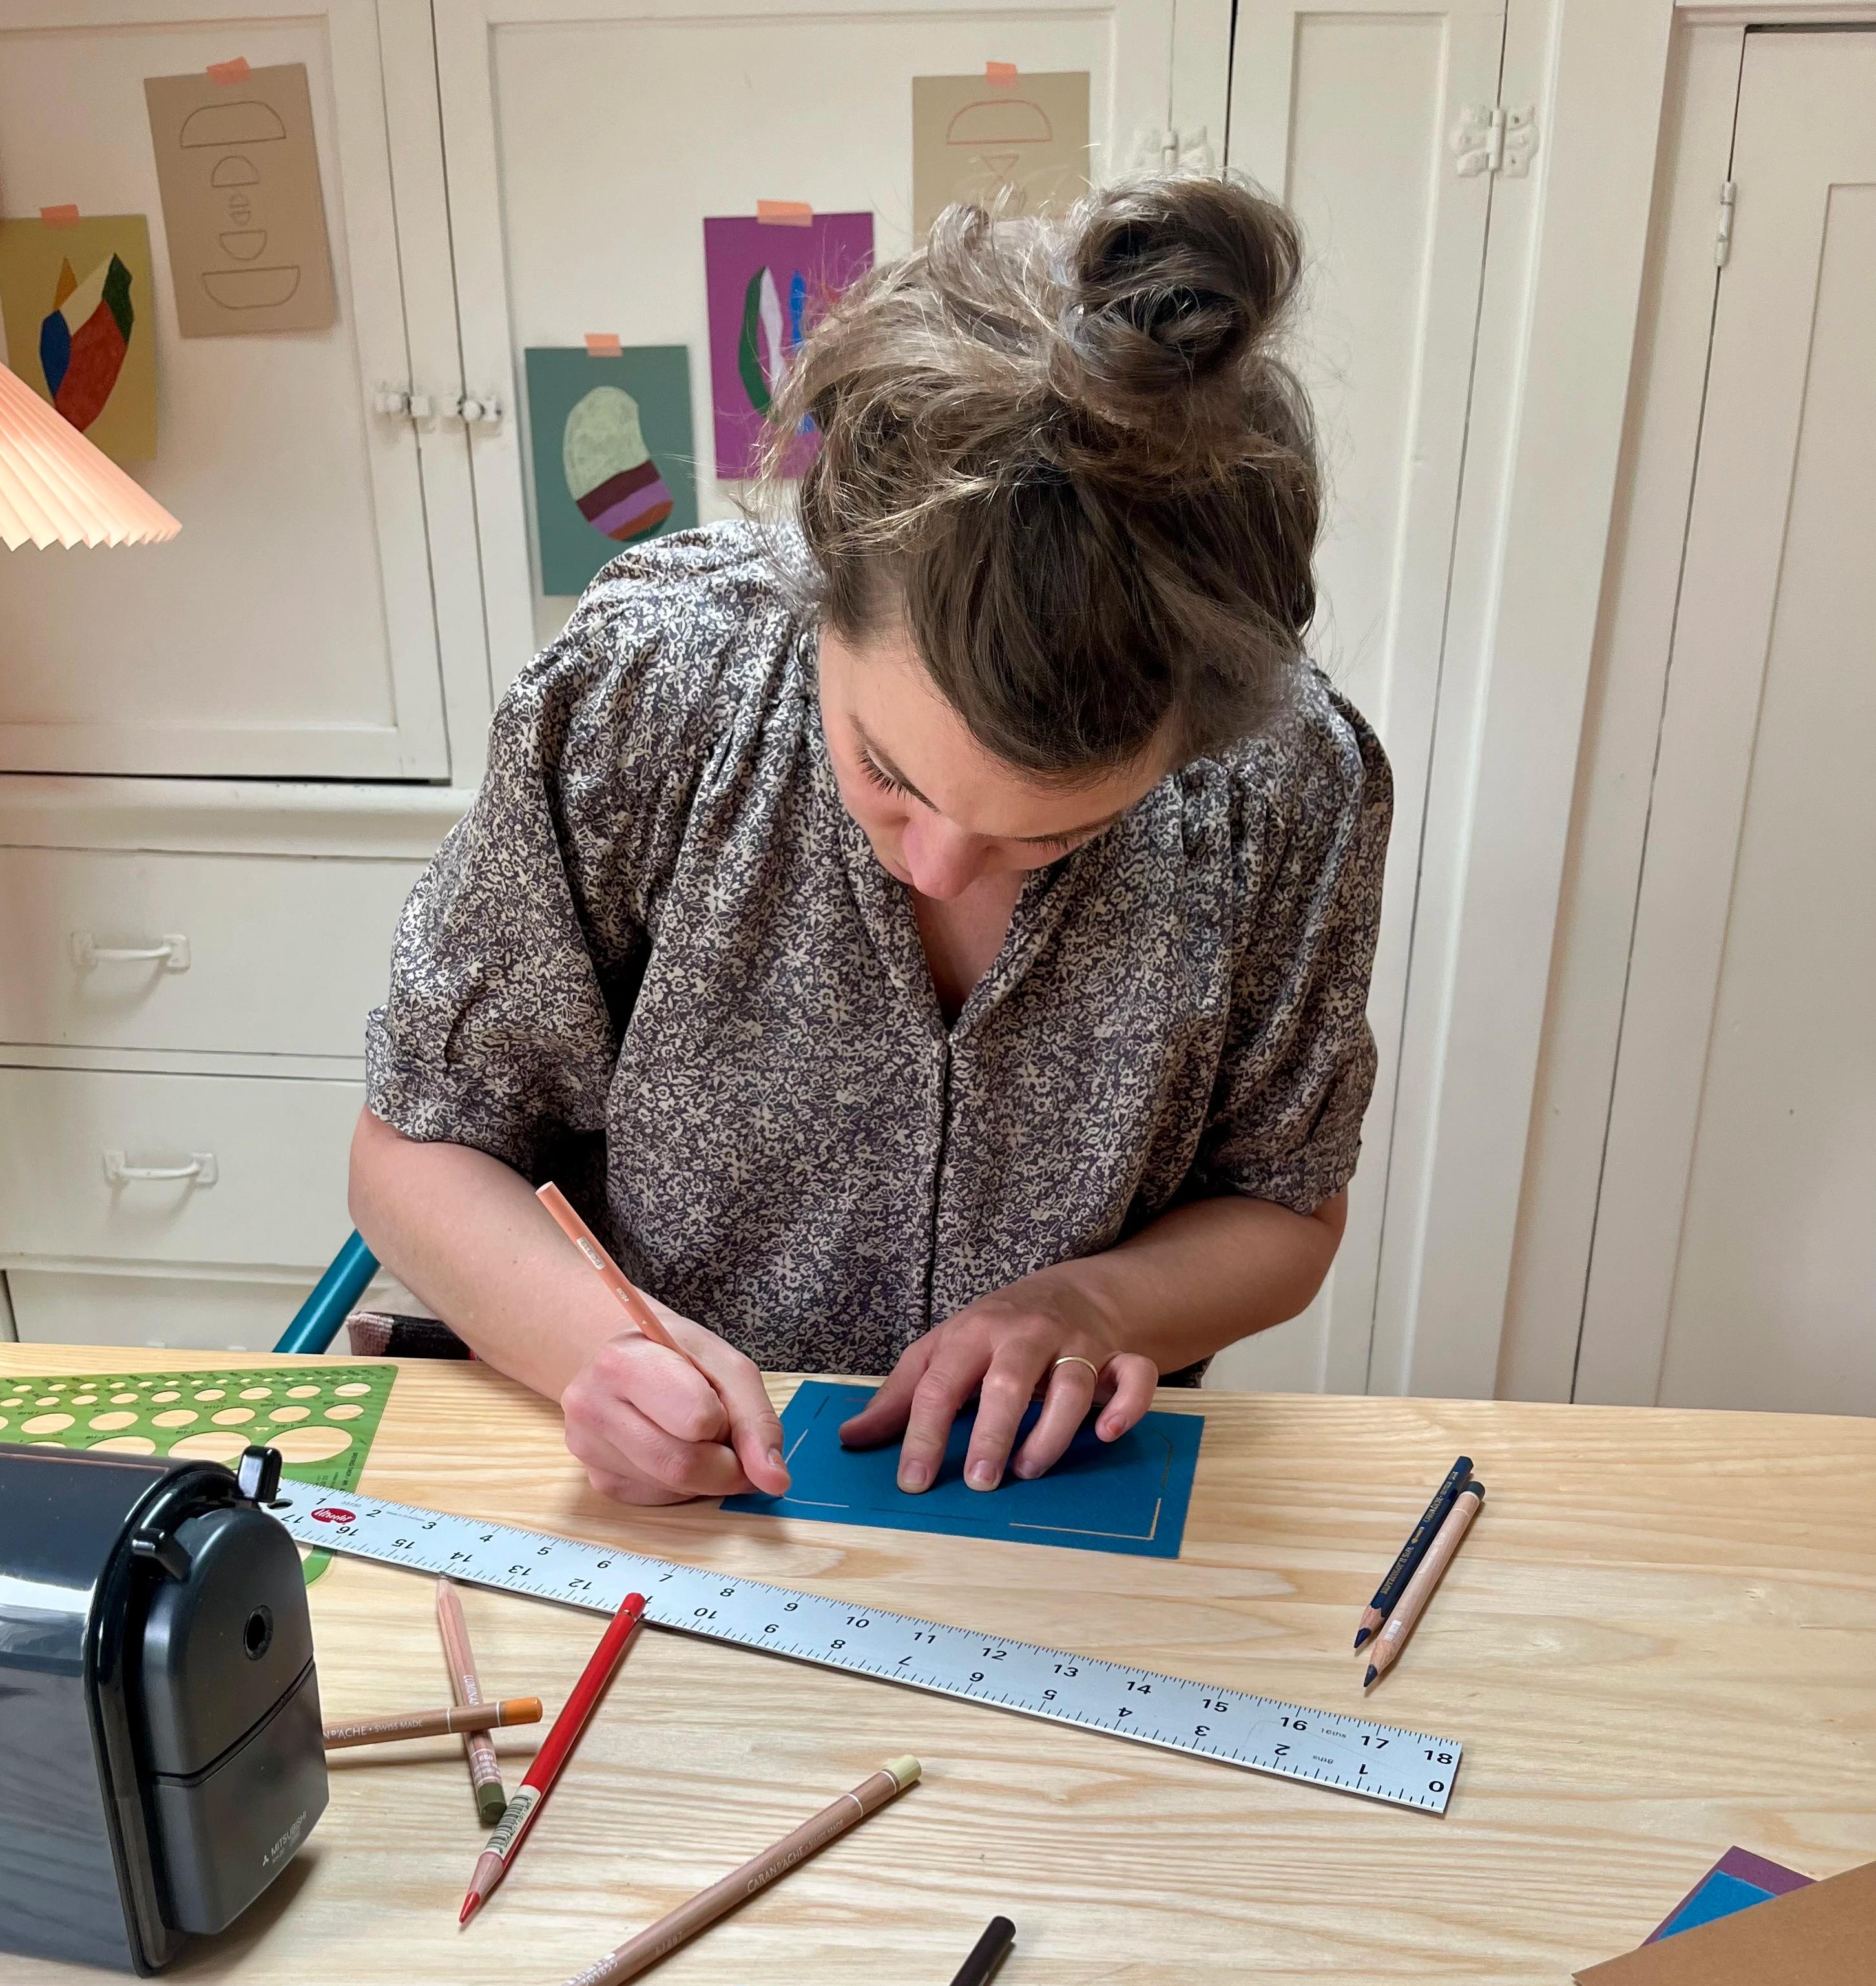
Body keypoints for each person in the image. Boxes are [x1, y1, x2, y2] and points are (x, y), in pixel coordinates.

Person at [353, 176, 1388, 1509]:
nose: (943, 868)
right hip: (673, 1508)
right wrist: (594, 1348)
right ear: (821, 584)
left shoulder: (1285, 786)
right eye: (889, 777)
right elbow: (415, 1149)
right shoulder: (647, 696)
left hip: (1051, 1517)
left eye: (1060, 832)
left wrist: (1096, 1307)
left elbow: (1284, 1207)